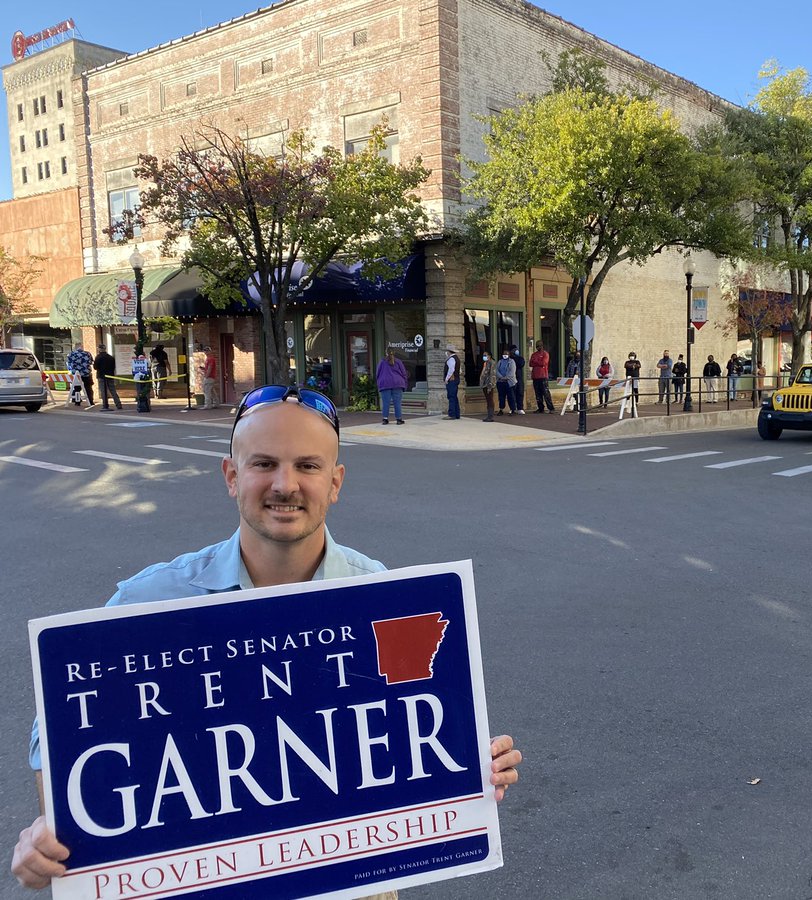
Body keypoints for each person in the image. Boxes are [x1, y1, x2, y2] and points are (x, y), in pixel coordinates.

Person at [9, 387, 522, 895]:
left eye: (308, 466)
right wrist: (54, 832)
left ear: (335, 482)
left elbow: (414, 720)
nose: (286, 484)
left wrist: (469, 768)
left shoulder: (383, 597)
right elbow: (53, 734)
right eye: (263, 464)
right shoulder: (152, 599)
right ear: (232, 476)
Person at [375, 346, 408, 424]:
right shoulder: (398, 361)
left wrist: (379, 382)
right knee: (397, 402)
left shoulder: (382, 362)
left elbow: (377, 373)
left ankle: (385, 419)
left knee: (386, 402)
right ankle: (399, 419)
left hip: (385, 383)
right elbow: (404, 373)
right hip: (397, 383)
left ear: (386, 353)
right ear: (394, 353)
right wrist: (405, 383)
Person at [66, 342, 95, 408]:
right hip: (86, 374)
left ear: (75, 347)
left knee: (77, 389)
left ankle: (77, 402)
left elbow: (69, 364)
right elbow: (91, 362)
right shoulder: (87, 354)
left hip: (76, 374)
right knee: (88, 387)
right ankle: (91, 401)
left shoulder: (71, 354)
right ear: (82, 347)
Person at [530, 340, 554, 413]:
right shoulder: (534, 354)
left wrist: (536, 361)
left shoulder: (545, 354)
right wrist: (537, 361)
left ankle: (551, 408)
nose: (538, 347)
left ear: (542, 346)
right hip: (535, 376)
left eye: (539, 345)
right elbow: (531, 363)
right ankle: (540, 408)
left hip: (543, 376)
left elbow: (543, 363)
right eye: (537, 346)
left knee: (545, 393)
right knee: (538, 394)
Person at [496, 349, 517, 415]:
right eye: (504, 354)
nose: (505, 355)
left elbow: (512, 372)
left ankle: (512, 409)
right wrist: (501, 377)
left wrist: (505, 378)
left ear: (509, 355)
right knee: (501, 396)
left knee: (511, 396)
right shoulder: (500, 361)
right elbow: (496, 370)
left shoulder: (512, 361)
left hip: (509, 382)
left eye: (506, 354)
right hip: (500, 382)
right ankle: (501, 409)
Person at [443, 345, 460, 419]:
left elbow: (451, 370)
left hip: (451, 381)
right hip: (456, 379)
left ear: (449, 352)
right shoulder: (457, 358)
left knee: (451, 397)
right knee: (454, 397)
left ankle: (452, 414)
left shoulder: (451, 359)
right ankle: (457, 414)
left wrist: (446, 379)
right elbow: (460, 370)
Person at [479, 349, 497, 421]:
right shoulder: (485, 363)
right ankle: (489, 415)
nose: (484, 357)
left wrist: (490, 385)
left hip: (488, 384)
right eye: (483, 355)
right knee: (488, 399)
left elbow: (492, 374)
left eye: (485, 355)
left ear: (489, 356)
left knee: (490, 399)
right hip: (484, 384)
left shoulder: (491, 362)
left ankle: (490, 416)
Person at [201, 345, 220, 410]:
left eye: (207, 351)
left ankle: (208, 405)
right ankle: (216, 403)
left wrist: (206, 376)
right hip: (211, 377)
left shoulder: (210, 359)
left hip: (209, 377)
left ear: (210, 351)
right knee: (211, 390)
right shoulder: (208, 359)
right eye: (205, 351)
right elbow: (208, 368)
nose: (205, 352)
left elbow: (210, 368)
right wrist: (203, 369)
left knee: (206, 391)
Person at [510, 344, 526, 414]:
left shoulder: (520, 358)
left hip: (519, 377)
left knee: (520, 392)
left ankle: (520, 408)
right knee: (512, 393)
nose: (516, 351)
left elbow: (521, 364)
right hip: (511, 378)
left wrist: (516, 358)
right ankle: (513, 408)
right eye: (514, 350)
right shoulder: (509, 359)